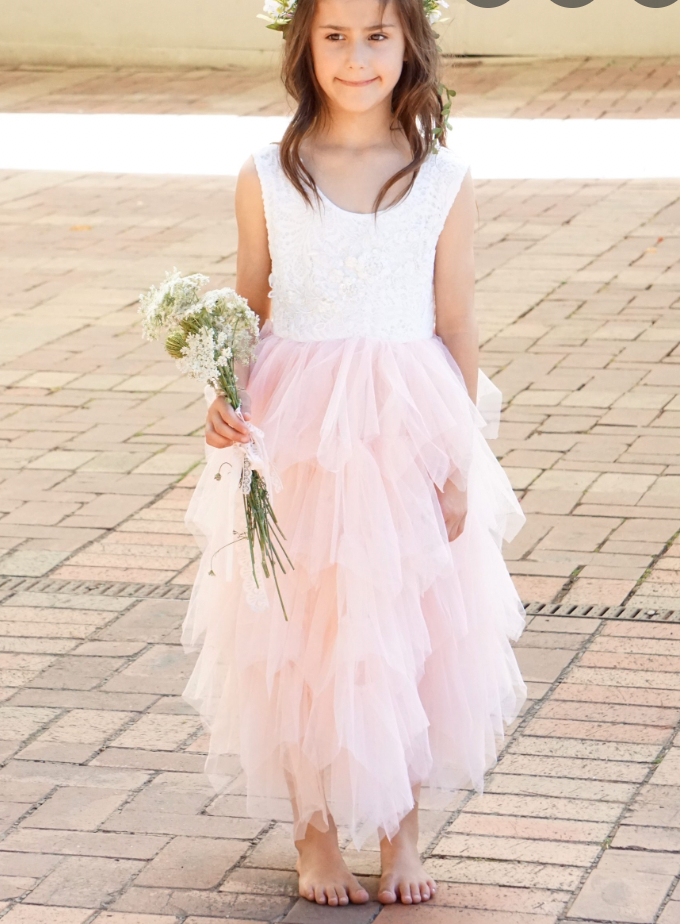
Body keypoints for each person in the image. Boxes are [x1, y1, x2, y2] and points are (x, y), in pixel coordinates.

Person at [182, 0, 527, 907]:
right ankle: (315, 835)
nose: (357, 56)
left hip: (404, 430)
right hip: (297, 430)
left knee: (404, 631)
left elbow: (456, 329)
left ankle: (403, 834)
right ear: (302, 43)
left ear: (410, 41)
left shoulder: (443, 178)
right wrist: (223, 394)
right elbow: (251, 308)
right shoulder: (269, 173)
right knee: (300, 629)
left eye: (376, 34)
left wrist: (457, 461)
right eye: (334, 35)